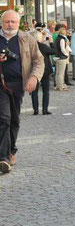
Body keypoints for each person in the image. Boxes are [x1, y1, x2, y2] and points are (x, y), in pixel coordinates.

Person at [0, 10, 44, 174]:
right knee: (4, 117)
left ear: (18, 23)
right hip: (1, 84)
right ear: (2, 22)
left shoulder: (27, 38)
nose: (10, 25)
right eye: (7, 22)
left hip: (18, 84)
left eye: (13, 22)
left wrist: (34, 77)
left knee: (14, 119)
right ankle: (3, 158)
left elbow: (38, 61)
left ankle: (11, 150)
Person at [29, 30, 54, 115]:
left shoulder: (29, 46)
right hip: (45, 70)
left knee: (34, 91)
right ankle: (44, 109)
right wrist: (51, 42)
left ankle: (35, 110)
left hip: (33, 71)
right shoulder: (43, 46)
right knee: (45, 91)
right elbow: (54, 51)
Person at [54, 26, 71, 92]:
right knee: (61, 72)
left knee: (57, 72)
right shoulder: (62, 39)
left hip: (57, 56)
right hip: (61, 57)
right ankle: (61, 86)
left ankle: (58, 85)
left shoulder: (57, 38)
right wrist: (66, 54)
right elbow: (62, 49)